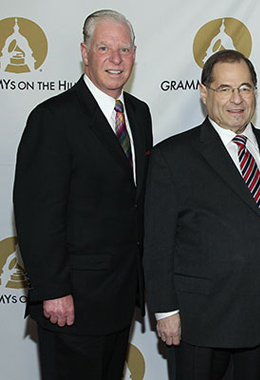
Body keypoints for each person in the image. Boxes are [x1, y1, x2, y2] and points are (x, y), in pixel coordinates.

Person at [143, 49, 260, 380]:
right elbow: (157, 243)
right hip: (202, 324)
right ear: (204, 93)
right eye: (225, 89)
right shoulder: (171, 157)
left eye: (245, 88)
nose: (237, 99)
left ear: (256, 92)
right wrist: (165, 310)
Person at [13, 9, 152, 380]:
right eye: (104, 47)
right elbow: (37, 214)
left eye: (124, 49)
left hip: (120, 300)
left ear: (135, 54)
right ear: (85, 52)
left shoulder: (139, 114)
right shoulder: (53, 118)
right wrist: (53, 290)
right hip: (72, 304)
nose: (116, 58)